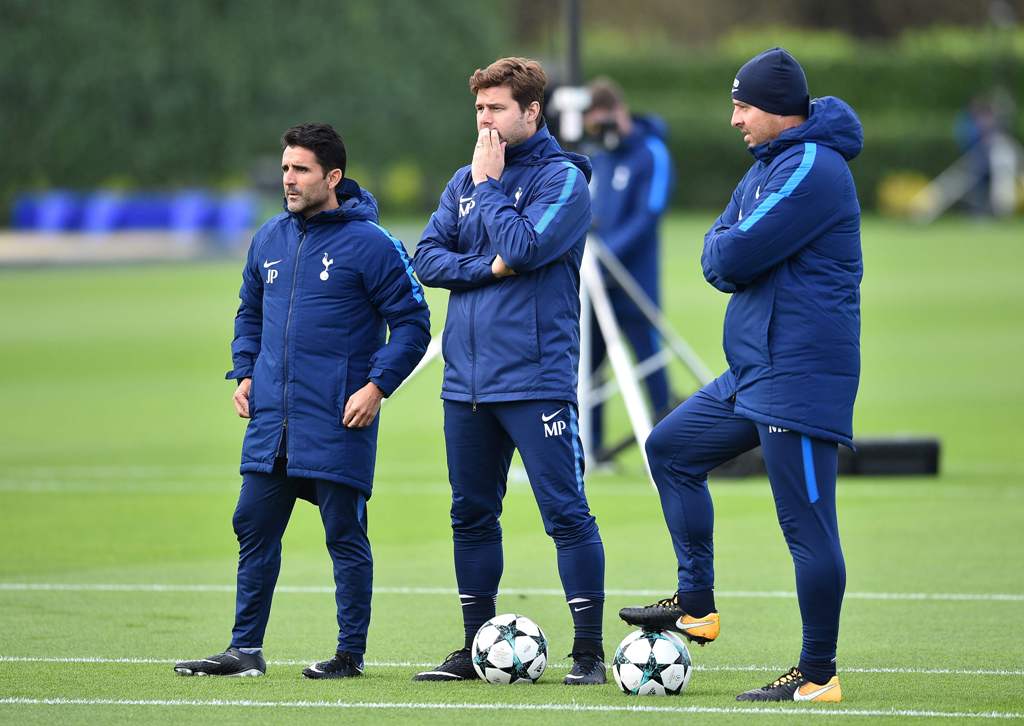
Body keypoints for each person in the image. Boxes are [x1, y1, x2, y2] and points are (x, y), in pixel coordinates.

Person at [619, 47, 863, 703]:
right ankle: (697, 604)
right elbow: (718, 253)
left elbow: (735, 249)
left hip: (802, 374)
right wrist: (729, 251)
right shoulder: (768, 167)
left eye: (743, 106)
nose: (733, 119)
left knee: (806, 528)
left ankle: (818, 674)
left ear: (780, 111)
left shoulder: (812, 166)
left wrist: (730, 251)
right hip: (756, 368)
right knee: (669, 448)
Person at [174, 123, 431, 680]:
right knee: (252, 525)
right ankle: (245, 650)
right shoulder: (268, 238)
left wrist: (376, 387)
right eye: (286, 168)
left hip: (340, 416)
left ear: (332, 177)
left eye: (301, 170)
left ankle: (349, 655)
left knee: (344, 534)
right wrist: (243, 371)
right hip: (272, 421)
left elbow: (413, 326)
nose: (288, 179)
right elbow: (248, 313)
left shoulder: (374, 244)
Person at [411, 57, 607, 685]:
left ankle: (588, 655)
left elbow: (523, 248)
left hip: (535, 379)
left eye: (496, 109)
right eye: (479, 110)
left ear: (531, 111)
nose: (485, 121)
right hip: (465, 382)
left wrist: (491, 188)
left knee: (566, 514)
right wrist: (484, 269)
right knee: (469, 515)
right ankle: (474, 648)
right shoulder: (463, 179)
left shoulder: (565, 181)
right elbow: (427, 259)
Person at [583, 77, 675, 459]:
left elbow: (648, 215)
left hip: (635, 282)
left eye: (604, 123)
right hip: (594, 286)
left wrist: (602, 254)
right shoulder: (599, 156)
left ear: (618, 111)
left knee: (650, 364)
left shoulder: (652, 152)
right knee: (585, 369)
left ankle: (670, 448)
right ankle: (590, 450)